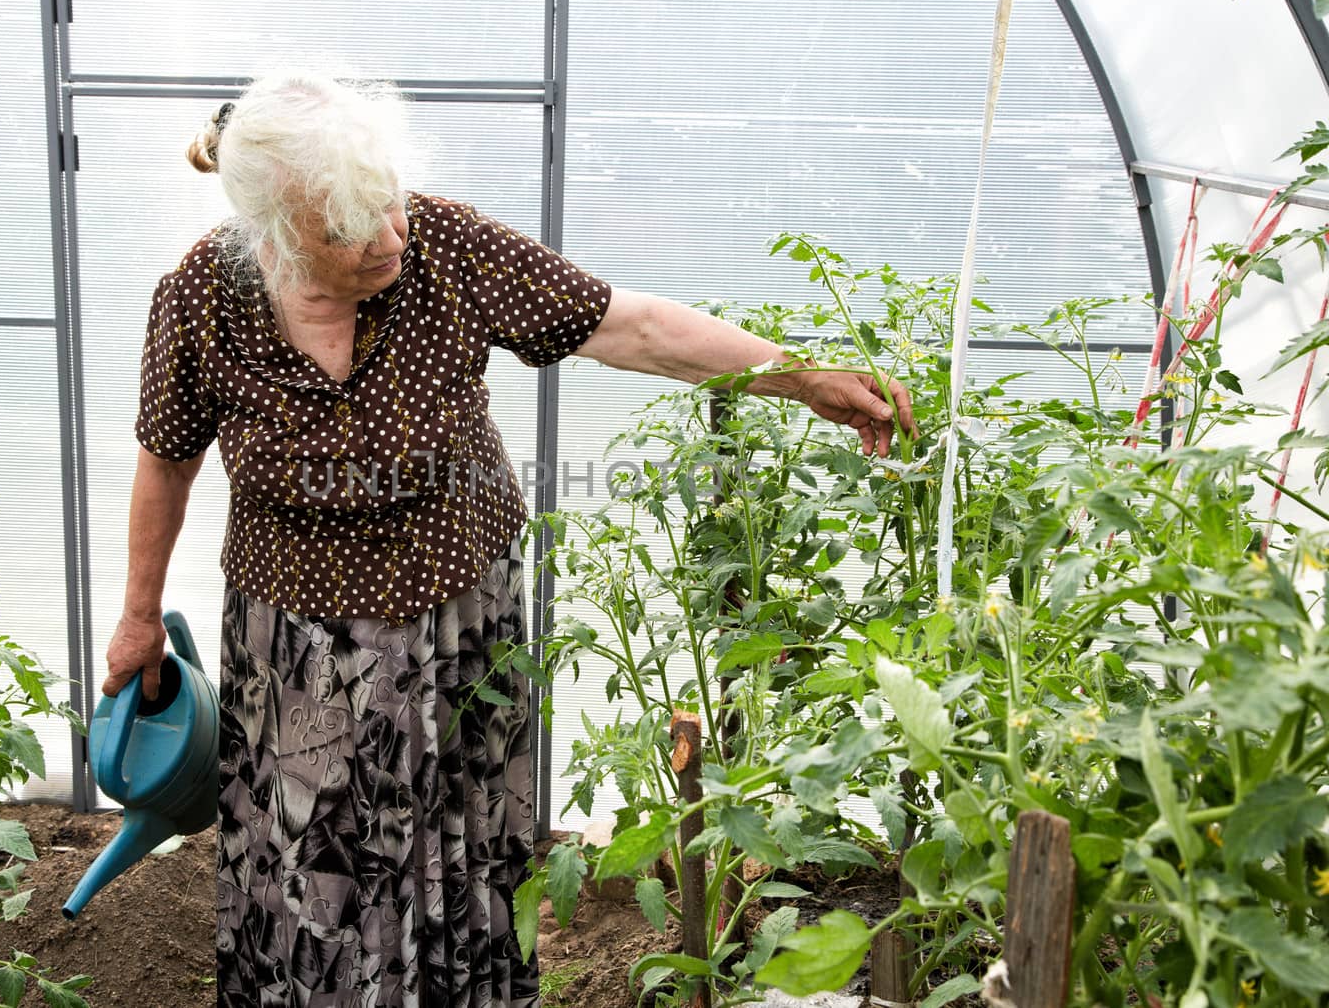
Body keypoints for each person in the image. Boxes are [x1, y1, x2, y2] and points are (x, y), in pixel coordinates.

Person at [100, 70, 916, 1008]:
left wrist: (801, 377)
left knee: (461, 845)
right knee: (314, 867)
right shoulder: (203, 295)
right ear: (280, 237)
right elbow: (165, 458)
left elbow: (631, 327)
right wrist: (135, 618)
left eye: (391, 201)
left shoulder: (446, 247)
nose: (391, 237)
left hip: (454, 620)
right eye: (353, 228)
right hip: (299, 643)